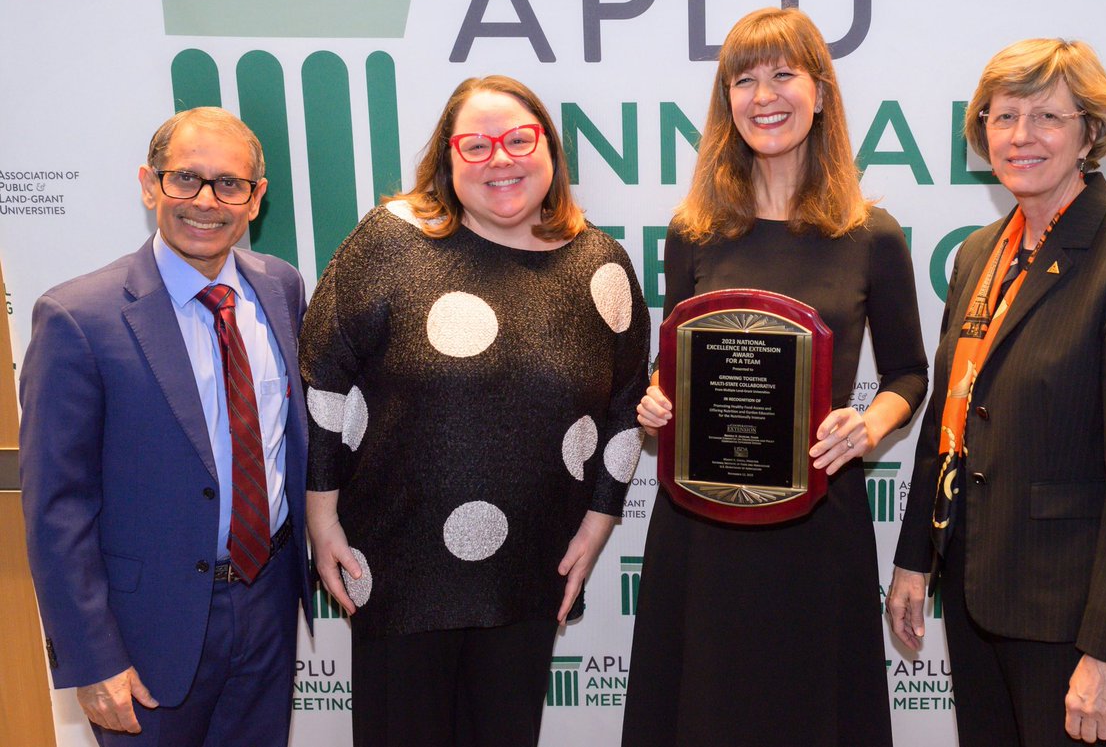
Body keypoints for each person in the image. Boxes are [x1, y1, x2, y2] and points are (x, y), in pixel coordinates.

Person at [301, 75, 650, 746]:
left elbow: (626, 401)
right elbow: (325, 374)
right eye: (476, 143)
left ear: (548, 150)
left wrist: (601, 520)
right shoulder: (391, 239)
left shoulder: (601, 264)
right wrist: (321, 516)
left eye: (520, 138)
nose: (501, 158)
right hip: (398, 565)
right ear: (446, 159)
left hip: (529, 570)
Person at [622, 6, 928, 747]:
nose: (765, 95)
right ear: (727, 100)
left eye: (784, 74)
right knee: (700, 708)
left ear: (820, 91)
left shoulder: (871, 234)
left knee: (812, 709)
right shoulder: (692, 230)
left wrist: (871, 423)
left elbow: (909, 373)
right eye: (744, 79)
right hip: (702, 522)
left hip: (818, 522)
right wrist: (658, 399)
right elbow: (676, 359)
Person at [887, 38, 1106, 747]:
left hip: (1072, 621)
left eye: (1046, 116)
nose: (1021, 136)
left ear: (1090, 132)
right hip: (975, 594)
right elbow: (949, 419)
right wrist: (914, 559)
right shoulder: (979, 253)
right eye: (1003, 116)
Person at [20, 107, 310, 746]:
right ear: (150, 185)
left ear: (256, 199)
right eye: (186, 179)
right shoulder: (77, 318)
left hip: (265, 607)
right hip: (145, 632)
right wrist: (92, 658)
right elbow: (57, 508)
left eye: (230, 184)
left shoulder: (281, 289)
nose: (207, 202)